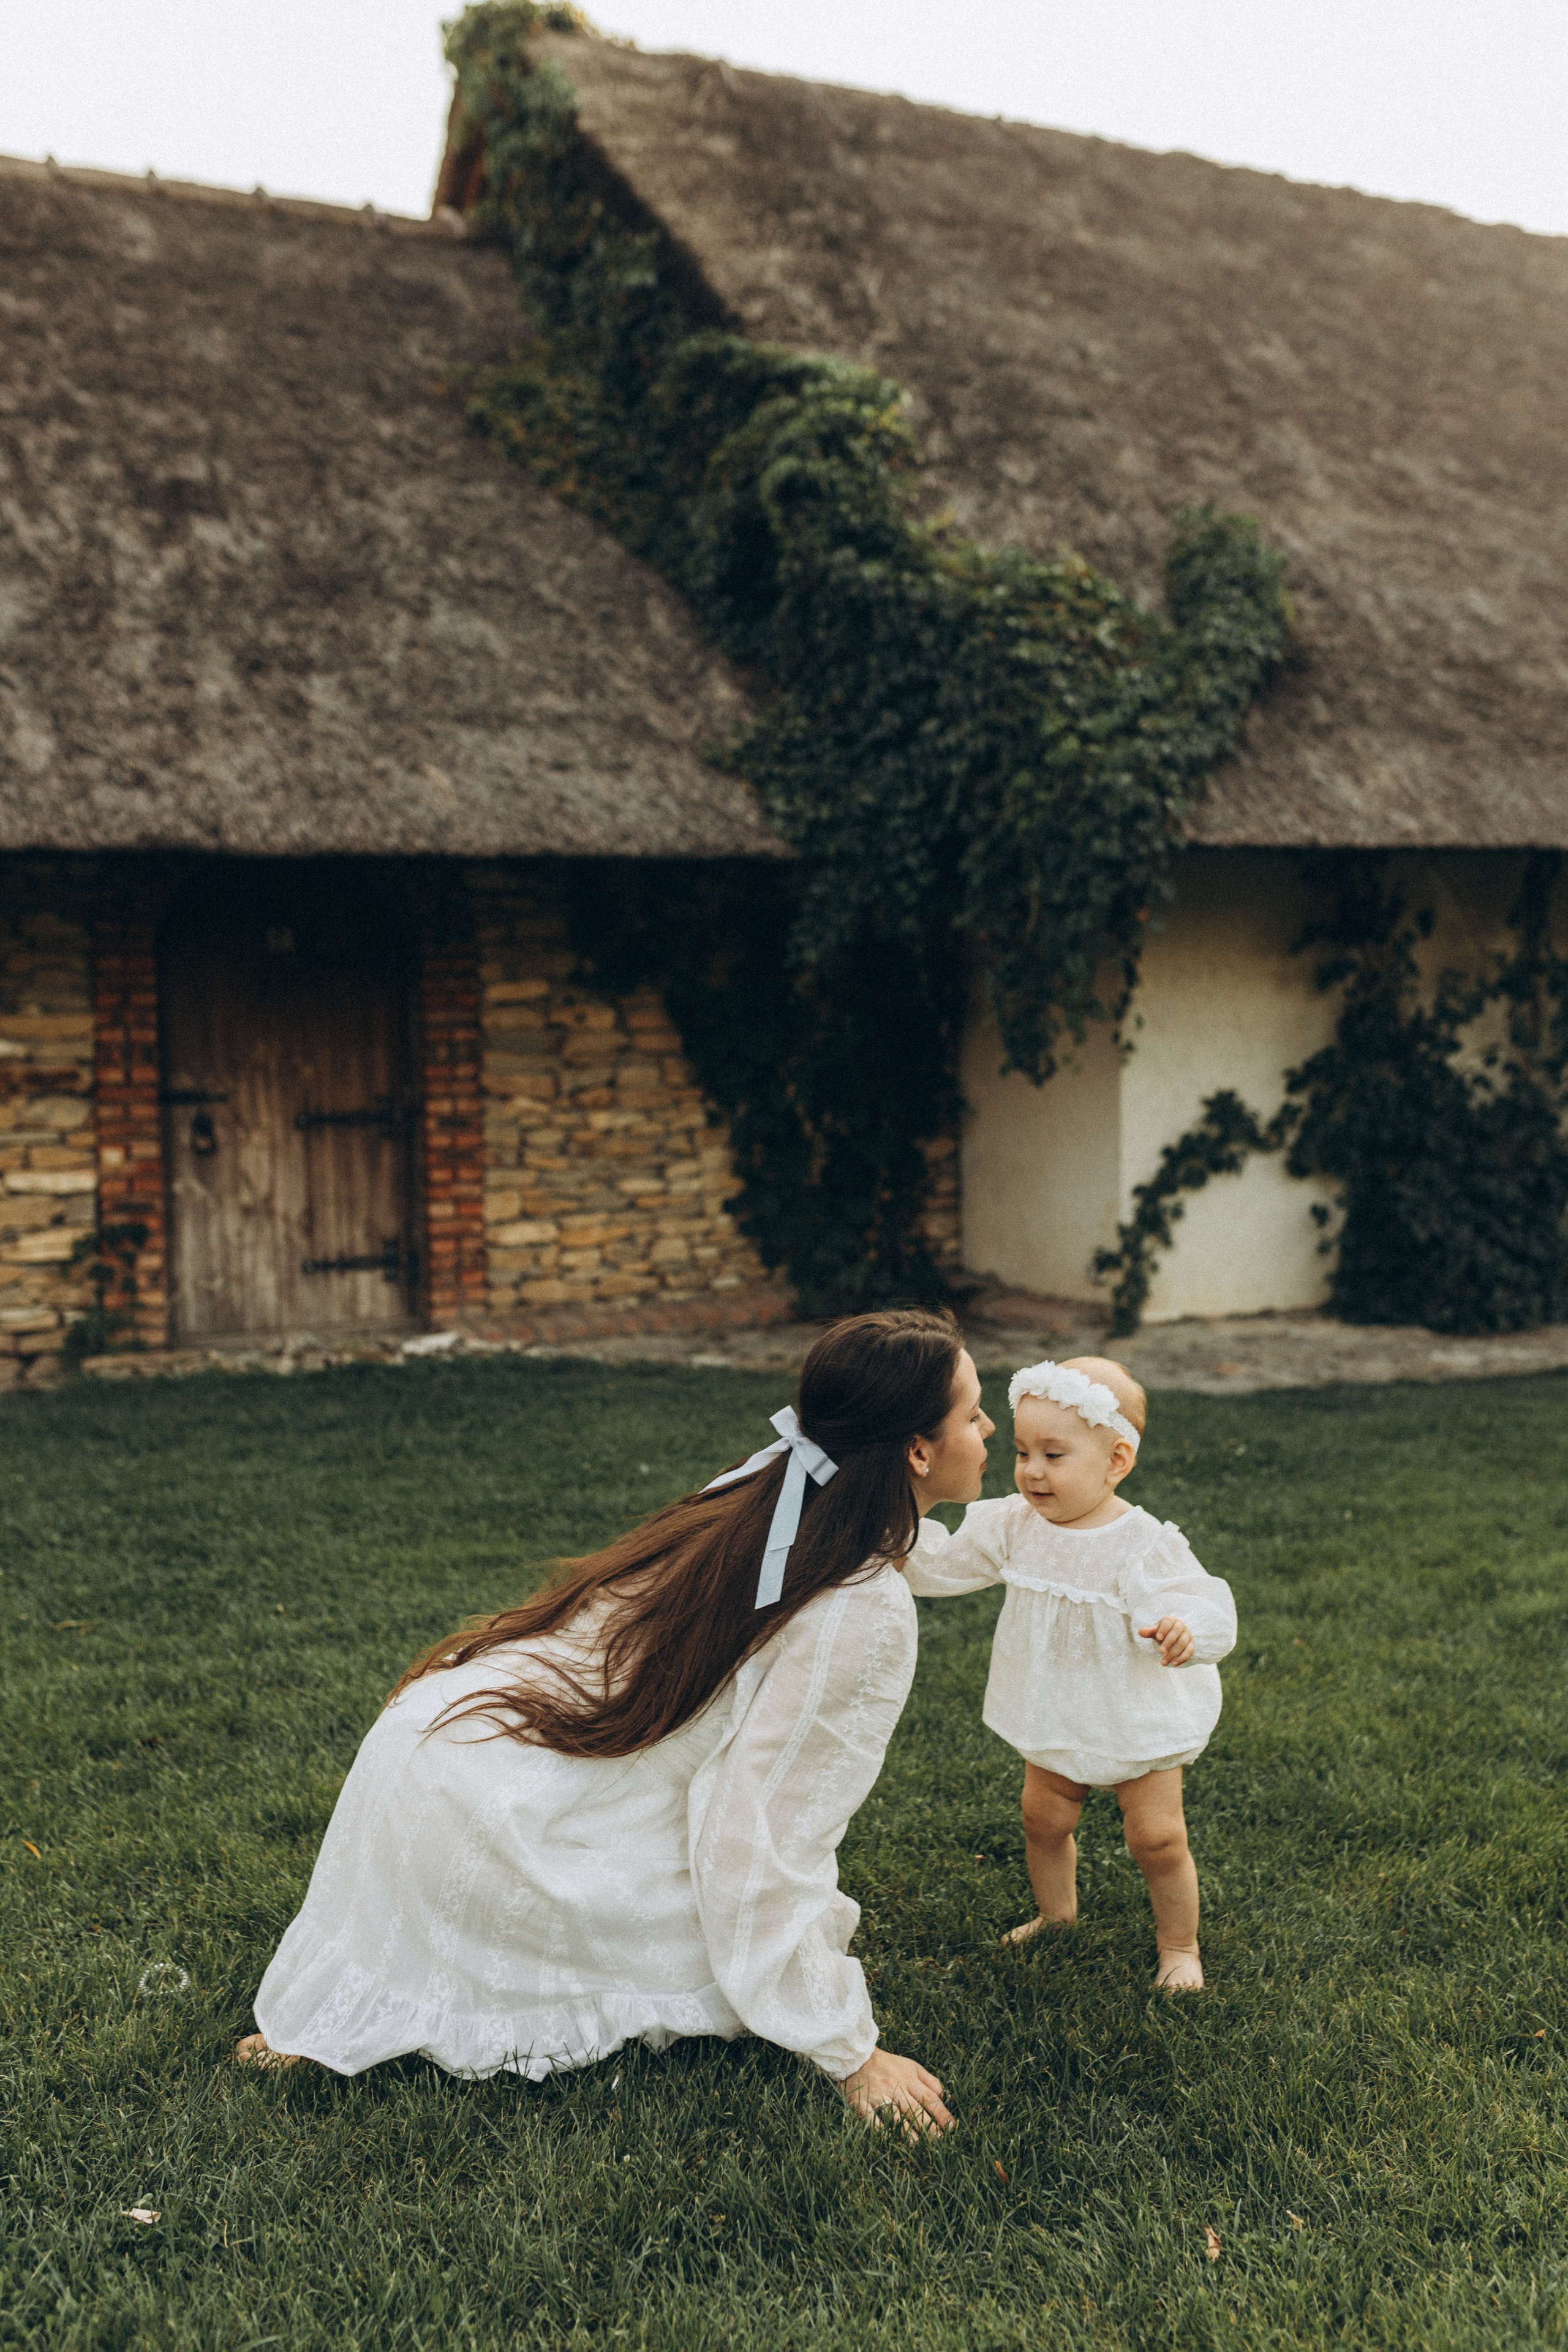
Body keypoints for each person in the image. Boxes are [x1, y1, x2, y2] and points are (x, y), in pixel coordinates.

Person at [237, 1308, 995, 2134]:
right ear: (917, 1451)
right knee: (704, 1935)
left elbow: (901, 1547)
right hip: (503, 1834)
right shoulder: (863, 1611)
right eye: (974, 1414)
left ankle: (344, 2005)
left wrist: (1051, 1533)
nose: (991, 1429)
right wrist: (849, 2050)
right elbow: (760, 1832)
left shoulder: (780, 1489)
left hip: (428, 1760)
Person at [903, 1355, 1235, 1991]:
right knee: (1043, 1819)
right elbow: (945, 1564)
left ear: (1116, 1461)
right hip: (1054, 1705)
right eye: (1022, 1452)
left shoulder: (1142, 1543)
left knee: (1157, 1838)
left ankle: (1179, 1946)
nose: (1031, 1470)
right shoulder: (1014, 1525)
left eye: (1054, 1456)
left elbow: (1201, 1600)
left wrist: (1186, 1629)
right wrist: (894, 1544)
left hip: (1134, 1711)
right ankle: (1056, 1915)